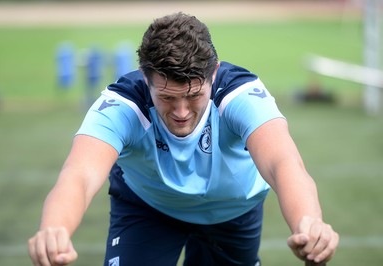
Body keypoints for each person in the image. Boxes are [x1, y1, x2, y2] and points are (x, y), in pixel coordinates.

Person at [28, 12, 339, 266]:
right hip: (148, 206)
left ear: (213, 74)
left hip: (232, 211)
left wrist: (309, 222)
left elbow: (283, 163)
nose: (181, 112)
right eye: (165, 97)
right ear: (144, 76)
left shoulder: (240, 94)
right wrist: (54, 229)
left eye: (193, 96)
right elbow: (79, 175)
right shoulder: (123, 104)